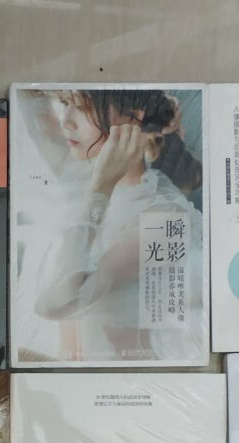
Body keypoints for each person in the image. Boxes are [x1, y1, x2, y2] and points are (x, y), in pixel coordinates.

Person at [13, 87, 205, 363]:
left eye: (82, 107)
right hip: (69, 375)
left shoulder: (162, 218)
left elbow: (52, 304)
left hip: (115, 382)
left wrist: (101, 187)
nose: (66, 121)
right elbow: (28, 94)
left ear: (134, 117)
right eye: (65, 103)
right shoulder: (80, 174)